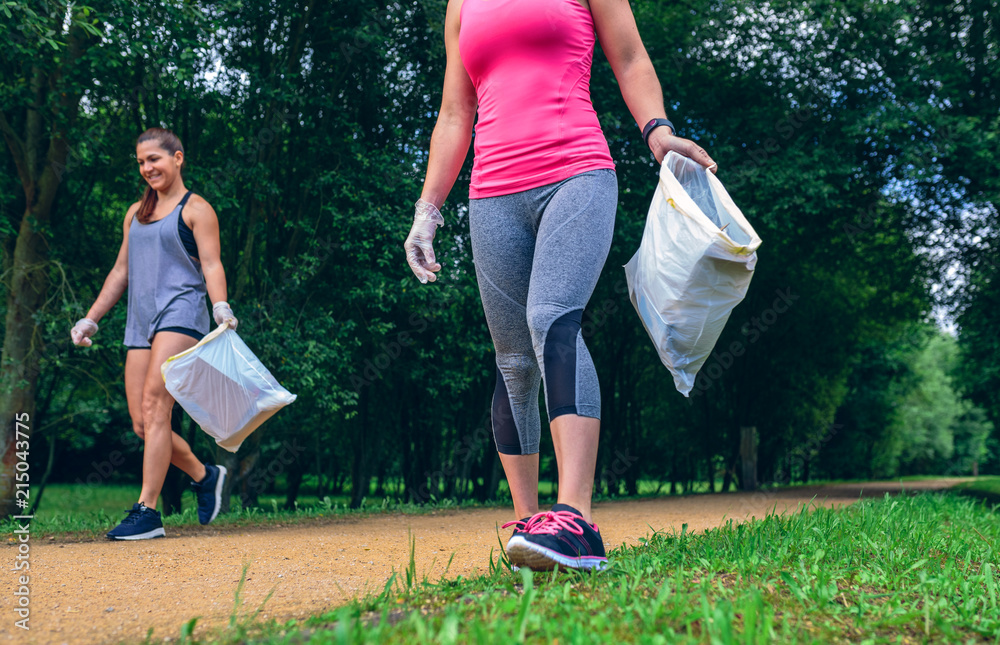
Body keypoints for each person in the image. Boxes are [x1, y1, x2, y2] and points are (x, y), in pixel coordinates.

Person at [404, 0, 717, 570]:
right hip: (491, 194)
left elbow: (629, 56)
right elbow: (456, 112)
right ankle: (529, 527)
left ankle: (576, 519)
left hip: (576, 171)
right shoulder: (461, 5)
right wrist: (427, 210)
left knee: (551, 318)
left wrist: (658, 132)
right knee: (513, 362)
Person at [71, 127, 238, 540]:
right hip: (140, 322)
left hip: (181, 316)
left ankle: (147, 511)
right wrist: (91, 318)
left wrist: (220, 306)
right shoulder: (135, 213)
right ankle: (205, 475)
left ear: (177, 158)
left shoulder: (197, 209)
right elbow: (121, 272)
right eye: (142, 162)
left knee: (155, 405)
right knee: (143, 424)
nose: (147, 168)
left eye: (155, 159)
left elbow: (212, 265)